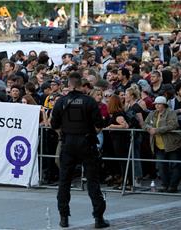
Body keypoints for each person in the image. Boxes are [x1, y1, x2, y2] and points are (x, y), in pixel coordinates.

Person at [51, 72, 109, 228]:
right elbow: (99, 125)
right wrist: (89, 133)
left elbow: (54, 124)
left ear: (69, 85)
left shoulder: (61, 102)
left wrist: (63, 135)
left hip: (68, 142)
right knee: (93, 181)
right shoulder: (89, 101)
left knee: (64, 181)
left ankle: (64, 217)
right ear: (81, 85)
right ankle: (98, 218)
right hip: (86, 142)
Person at [143, 96, 181, 193]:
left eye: (159, 104)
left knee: (174, 165)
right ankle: (165, 185)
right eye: (155, 104)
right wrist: (149, 129)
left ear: (164, 105)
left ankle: (173, 186)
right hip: (158, 145)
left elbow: (173, 125)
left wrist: (156, 130)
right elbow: (145, 124)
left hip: (172, 144)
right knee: (161, 166)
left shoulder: (171, 112)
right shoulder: (152, 113)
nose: (157, 106)